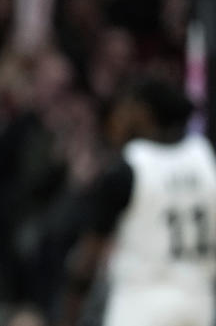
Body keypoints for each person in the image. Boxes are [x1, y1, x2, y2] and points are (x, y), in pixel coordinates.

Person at [62, 80, 216, 326]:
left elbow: (88, 259)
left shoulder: (128, 168)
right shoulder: (206, 157)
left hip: (143, 303)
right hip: (199, 303)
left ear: (143, 113)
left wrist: (69, 311)